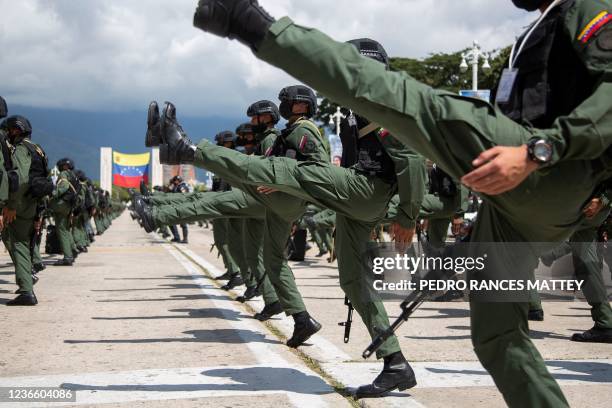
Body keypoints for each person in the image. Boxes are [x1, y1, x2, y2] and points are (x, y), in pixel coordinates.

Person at [186, 1, 612, 405]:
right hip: (522, 196)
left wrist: (542, 151)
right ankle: (399, 362)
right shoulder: (537, 31)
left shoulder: (585, 8)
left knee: (414, 103)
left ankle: (250, 22)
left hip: (552, 164)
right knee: (496, 335)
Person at [146, 87, 326, 348]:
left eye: (292, 103)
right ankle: (301, 319)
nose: (252, 125)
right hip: (279, 201)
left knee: (220, 191)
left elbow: (316, 170)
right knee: (273, 259)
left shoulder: (302, 130)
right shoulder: (287, 132)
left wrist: (286, 190)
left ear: (303, 106)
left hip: (284, 200)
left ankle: (177, 156)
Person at [1, 115, 53, 305]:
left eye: (9, 130)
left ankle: (26, 289)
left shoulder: (23, 149)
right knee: (18, 241)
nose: (7, 134)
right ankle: (26, 282)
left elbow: (21, 178)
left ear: (16, 130)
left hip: (21, 203)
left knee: (17, 242)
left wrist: (11, 205)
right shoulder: (38, 149)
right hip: (32, 203)